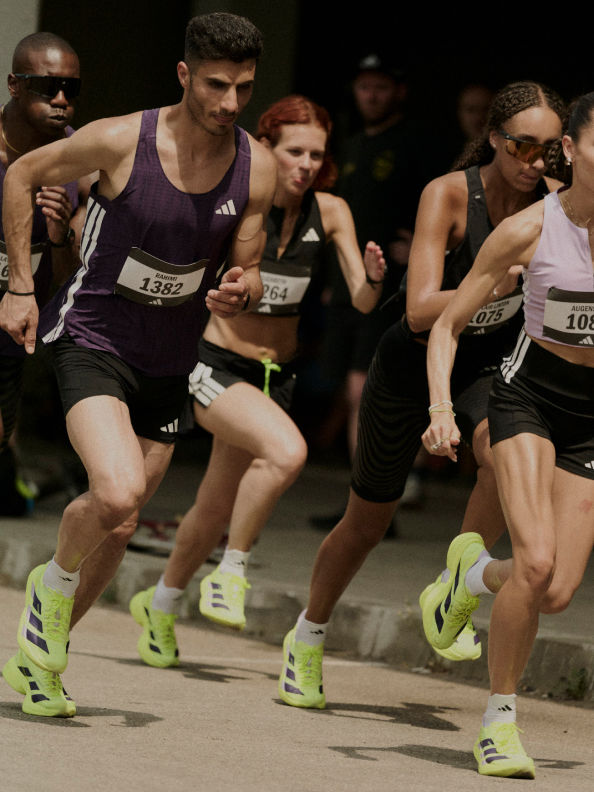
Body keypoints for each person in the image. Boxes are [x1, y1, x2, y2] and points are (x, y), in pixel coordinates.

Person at [0, 12, 276, 718]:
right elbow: (24, 173)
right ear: (185, 75)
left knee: (119, 526)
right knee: (117, 494)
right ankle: (52, 584)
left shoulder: (257, 165)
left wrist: (242, 287)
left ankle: (42, 658)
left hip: (170, 360)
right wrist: (22, 285)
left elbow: (249, 264)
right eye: (215, 85)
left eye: (242, 88)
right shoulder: (123, 139)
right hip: (92, 337)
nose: (228, 103)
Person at [277, 81, 565, 712]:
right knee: (366, 521)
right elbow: (415, 312)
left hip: (490, 365)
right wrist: (494, 285)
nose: (536, 161)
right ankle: (308, 634)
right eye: (522, 145)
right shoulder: (451, 194)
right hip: (410, 367)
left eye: (550, 150)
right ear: (493, 137)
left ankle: (455, 581)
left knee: (506, 452)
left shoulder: (556, 207)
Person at [128, 94, 386, 668]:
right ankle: (232, 571)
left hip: (278, 377)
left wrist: (372, 279)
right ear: (266, 148)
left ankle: (161, 601)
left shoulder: (332, 210)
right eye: (294, 151)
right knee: (287, 451)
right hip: (216, 365)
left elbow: (364, 302)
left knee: (216, 504)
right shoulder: (236, 201)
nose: (306, 164)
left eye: (317, 154)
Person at [420, 92, 594, 779]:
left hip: (591, 419)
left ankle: (469, 572)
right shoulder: (528, 230)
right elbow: (445, 323)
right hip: (529, 399)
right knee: (538, 562)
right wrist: (441, 408)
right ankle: (498, 722)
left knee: (553, 590)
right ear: (572, 152)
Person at [310, 53, 444, 524]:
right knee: (351, 393)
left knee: (364, 389)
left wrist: (428, 250)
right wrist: (333, 283)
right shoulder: (347, 146)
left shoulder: (417, 142)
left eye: (381, 87)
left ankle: (372, 505)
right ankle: (363, 505)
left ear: (399, 91)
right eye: (364, 86)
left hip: (390, 286)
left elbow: (445, 202)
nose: (371, 95)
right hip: (347, 287)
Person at [0, 32, 92, 517]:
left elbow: (64, 278)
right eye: (48, 86)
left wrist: (60, 232)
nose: (61, 100)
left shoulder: (77, 161)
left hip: (10, 336)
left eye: (70, 90)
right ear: (15, 85)